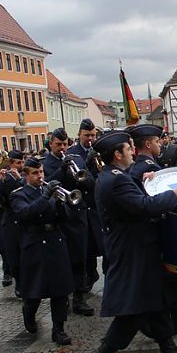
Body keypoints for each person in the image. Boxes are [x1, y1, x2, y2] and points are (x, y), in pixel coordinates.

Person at [84, 130, 177, 353]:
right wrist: (173, 196)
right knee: (134, 308)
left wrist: (145, 181)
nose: (132, 151)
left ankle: (168, 349)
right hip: (132, 248)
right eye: (128, 148)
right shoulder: (116, 181)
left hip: (133, 245)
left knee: (152, 298)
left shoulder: (111, 176)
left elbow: (133, 198)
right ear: (117, 154)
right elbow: (143, 207)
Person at [128, 123, 177, 331]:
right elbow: (155, 204)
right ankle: (169, 320)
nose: (161, 144)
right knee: (169, 277)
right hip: (157, 231)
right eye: (158, 141)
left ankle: (176, 317)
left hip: (153, 231)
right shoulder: (147, 168)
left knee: (168, 278)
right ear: (149, 144)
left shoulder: (140, 166)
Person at [10, 157, 75, 345]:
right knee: (35, 288)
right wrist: (45, 196)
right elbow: (25, 214)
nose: (40, 176)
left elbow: (65, 218)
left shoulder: (51, 192)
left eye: (41, 172)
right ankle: (28, 312)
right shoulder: (18, 195)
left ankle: (59, 329)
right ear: (26, 175)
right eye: (35, 173)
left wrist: (63, 204)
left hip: (55, 241)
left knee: (59, 289)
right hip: (35, 243)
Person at [43, 127, 94, 316]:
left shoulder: (77, 159)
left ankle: (79, 298)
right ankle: (63, 297)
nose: (62, 148)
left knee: (80, 257)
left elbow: (90, 183)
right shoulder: (45, 163)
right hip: (58, 216)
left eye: (65, 144)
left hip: (77, 214)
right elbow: (45, 185)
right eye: (58, 144)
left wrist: (82, 177)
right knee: (61, 260)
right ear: (51, 144)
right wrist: (61, 170)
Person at [66, 119, 103, 292]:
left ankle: (97, 273)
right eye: (87, 135)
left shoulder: (100, 151)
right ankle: (90, 273)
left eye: (93, 135)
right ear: (79, 134)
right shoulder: (72, 153)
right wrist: (87, 163)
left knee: (98, 242)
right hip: (81, 203)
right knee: (85, 244)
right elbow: (72, 179)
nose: (90, 138)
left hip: (95, 203)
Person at [0, 149, 25, 292]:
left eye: (22, 162)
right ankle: (15, 277)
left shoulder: (24, 175)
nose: (21, 165)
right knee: (10, 250)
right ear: (11, 163)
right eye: (18, 163)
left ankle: (25, 282)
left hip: (24, 218)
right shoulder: (2, 177)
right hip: (9, 218)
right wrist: (1, 181)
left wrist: (19, 179)